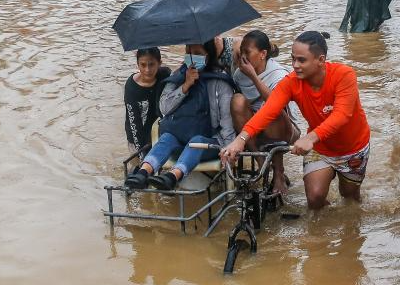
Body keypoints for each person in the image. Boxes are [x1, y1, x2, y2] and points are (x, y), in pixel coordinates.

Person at [221, 31, 371, 210]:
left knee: (350, 199)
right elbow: (268, 111)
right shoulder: (291, 82)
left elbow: (342, 116)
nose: (295, 65)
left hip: (352, 148)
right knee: (314, 199)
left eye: (302, 60)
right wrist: (240, 140)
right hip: (321, 148)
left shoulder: (344, 75)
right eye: (293, 59)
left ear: (321, 60)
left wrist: (310, 137)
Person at [129, 41, 236, 191]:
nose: (192, 58)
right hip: (179, 137)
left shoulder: (219, 82)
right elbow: (164, 108)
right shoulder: (178, 75)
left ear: (208, 55)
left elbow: (227, 123)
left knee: (196, 142)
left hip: (208, 141)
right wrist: (185, 86)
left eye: (197, 54)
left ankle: (173, 177)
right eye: (188, 52)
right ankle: (142, 173)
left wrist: (229, 150)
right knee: (166, 138)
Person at [230, 30, 302, 196]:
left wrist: (254, 77)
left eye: (247, 52)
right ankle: (262, 164)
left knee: (270, 111)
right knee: (237, 100)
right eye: (241, 52)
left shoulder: (279, 74)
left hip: (282, 128)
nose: (243, 56)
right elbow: (240, 108)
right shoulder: (239, 75)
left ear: (262, 54)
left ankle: (278, 172)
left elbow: (275, 104)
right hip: (252, 130)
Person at [123, 48, 172, 181]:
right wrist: (142, 155)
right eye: (143, 65)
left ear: (159, 63)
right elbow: (134, 124)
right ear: (137, 64)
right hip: (137, 138)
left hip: (160, 133)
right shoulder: (131, 87)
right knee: (140, 173)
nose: (147, 70)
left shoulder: (165, 76)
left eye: (152, 65)